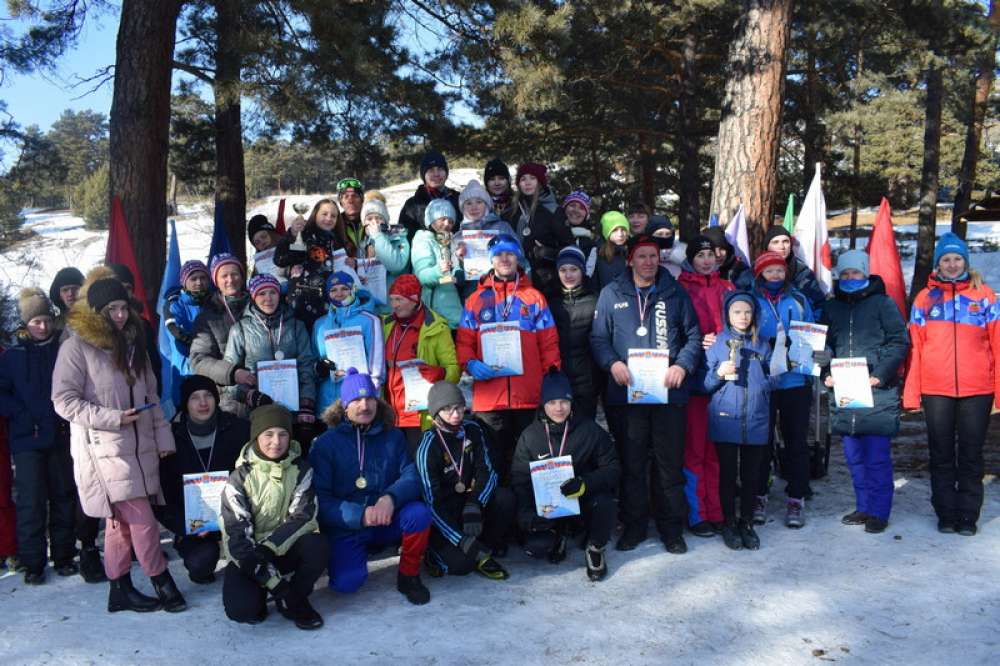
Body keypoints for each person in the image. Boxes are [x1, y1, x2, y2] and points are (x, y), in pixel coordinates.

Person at [52, 276, 186, 613]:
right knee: (142, 520)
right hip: (102, 451)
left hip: (139, 450)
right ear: (97, 312)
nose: (121, 315)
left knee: (120, 526)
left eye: (123, 307)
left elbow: (151, 396)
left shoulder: (132, 342)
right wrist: (112, 418)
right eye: (112, 309)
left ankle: (119, 588)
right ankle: (162, 580)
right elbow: (63, 401)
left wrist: (163, 437)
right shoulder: (76, 346)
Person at [590, 234, 702, 553]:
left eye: (653, 256)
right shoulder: (612, 294)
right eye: (642, 256)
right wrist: (612, 364)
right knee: (632, 463)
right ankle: (635, 526)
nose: (648, 262)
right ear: (630, 260)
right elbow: (599, 339)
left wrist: (682, 365)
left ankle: (671, 529)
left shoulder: (675, 293)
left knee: (669, 464)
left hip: (668, 393)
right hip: (627, 394)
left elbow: (693, 336)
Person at [903, 233, 1000, 536]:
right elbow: (915, 348)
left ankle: (968, 516)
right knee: (941, 453)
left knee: (971, 454)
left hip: (977, 389)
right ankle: (946, 514)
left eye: (957, 259)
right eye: (946, 259)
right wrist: (912, 391)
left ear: (966, 262)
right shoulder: (925, 299)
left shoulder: (985, 296)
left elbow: (998, 344)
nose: (952, 264)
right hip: (936, 389)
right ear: (938, 264)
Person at [309, 369, 433, 605]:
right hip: (349, 527)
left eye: (369, 399)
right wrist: (360, 515)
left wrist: (390, 498)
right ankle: (355, 553)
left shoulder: (393, 436)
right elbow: (320, 500)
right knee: (346, 584)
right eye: (356, 400)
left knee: (418, 514)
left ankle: (409, 575)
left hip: (386, 518)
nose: (364, 406)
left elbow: (411, 476)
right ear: (344, 406)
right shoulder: (325, 444)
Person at [457, 234, 561, 481]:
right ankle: (499, 515)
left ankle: (531, 515)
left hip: (527, 395)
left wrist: (552, 380)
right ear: (491, 260)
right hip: (490, 397)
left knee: (532, 460)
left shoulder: (533, 297)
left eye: (510, 254)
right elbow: (464, 342)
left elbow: (548, 342)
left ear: (518, 258)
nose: (504, 259)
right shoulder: (475, 300)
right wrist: (469, 363)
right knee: (493, 462)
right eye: (499, 255)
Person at [821, 250, 909, 534]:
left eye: (855, 273)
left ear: (865, 273)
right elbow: (824, 346)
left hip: (876, 392)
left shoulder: (883, 303)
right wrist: (826, 374)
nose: (849, 278)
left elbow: (899, 341)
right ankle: (863, 506)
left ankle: (879, 511)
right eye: (844, 274)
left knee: (876, 455)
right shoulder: (832, 307)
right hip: (845, 391)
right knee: (853, 455)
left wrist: (880, 374)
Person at [220, 404, 327, 629]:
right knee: (242, 610)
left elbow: (303, 517)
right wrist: (277, 586)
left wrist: (270, 547)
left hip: (280, 547)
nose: (276, 442)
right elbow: (237, 537)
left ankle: (297, 597)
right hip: (248, 554)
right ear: (256, 437)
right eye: (268, 434)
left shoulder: (302, 470)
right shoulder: (238, 479)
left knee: (317, 545)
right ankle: (278, 593)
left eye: (282, 434)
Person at [512, 370, 620, 581]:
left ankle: (595, 548)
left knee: (606, 502)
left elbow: (613, 468)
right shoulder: (530, 436)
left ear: (572, 402)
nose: (559, 408)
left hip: (580, 499)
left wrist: (585, 483)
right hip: (548, 506)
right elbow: (519, 479)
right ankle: (557, 535)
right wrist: (527, 517)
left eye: (564, 401)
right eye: (552, 402)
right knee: (537, 548)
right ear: (543, 404)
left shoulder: (589, 430)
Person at [0, 289, 77, 584]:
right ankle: (33, 562)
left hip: (59, 435)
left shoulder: (63, 349)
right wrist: (19, 413)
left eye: (46, 320)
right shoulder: (12, 356)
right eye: (36, 321)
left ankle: (64, 555)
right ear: (25, 324)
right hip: (26, 439)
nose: (42, 327)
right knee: (31, 502)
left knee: (63, 496)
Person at [415, 381, 512, 580]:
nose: (456, 414)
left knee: (505, 498)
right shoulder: (428, 446)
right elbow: (431, 503)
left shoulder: (473, 429)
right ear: (436, 412)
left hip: (469, 504)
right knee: (462, 565)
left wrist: (474, 504)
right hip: (445, 513)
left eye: (459, 407)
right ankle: (435, 552)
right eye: (447, 409)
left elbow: (488, 471)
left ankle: (485, 546)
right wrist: (460, 540)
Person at [158, 375, 249, 583]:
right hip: (193, 523)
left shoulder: (238, 429)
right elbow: (163, 493)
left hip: (235, 515)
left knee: (248, 562)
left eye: (208, 395)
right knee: (201, 563)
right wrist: (184, 526)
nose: (202, 403)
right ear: (185, 403)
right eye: (194, 398)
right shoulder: (171, 437)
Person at [750, 250, 817, 528]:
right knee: (761, 442)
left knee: (796, 440)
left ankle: (796, 497)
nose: (775, 275)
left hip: (794, 380)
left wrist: (805, 352)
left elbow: (811, 333)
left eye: (779, 270)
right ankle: (759, 494)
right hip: (763, 381)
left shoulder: (798, 299)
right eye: (769, 271)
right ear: (759, 274)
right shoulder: (752, 300)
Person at [703, 292, 773, 551]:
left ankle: (746, 522)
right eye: (736, 312)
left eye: (747, 312)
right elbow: (704, 384)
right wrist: (719, 374)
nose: (742, 317)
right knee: (727, 475)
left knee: (752, 475)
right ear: (727, 315)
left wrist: (764, 383)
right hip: (725, 418)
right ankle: (728, 522)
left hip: (756, 417)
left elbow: (775, 376)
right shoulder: (716, 344)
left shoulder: (763, 344)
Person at [677, 235, 733, 537]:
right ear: (692, 259)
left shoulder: (728, 287)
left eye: (711, 254)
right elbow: (678, 331)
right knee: (695, 449)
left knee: (717, 451)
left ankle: (718, 511)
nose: (707, 260)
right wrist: (699, 341)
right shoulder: (681, 288)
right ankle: (698, 514)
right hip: (696, 379)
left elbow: (741, 324)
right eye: (700, 255)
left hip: (726, 379)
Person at [224, 274, 317, 429]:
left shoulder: (295, 326)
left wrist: (306, 403)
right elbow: (229, 374)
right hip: (257, 410)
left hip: (293, 411)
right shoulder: (239, 329)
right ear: (253, 297)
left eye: (273, 292)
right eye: (262, 293)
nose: (268, 298)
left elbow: (306, 365)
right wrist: (248, 395)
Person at [382, 275, 460, 451]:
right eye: (392, 299)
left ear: (414, 299)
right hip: (389, 415)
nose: (394, 305)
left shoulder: (437, 326)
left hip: (419, 417)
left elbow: (454, 369)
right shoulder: (385, 324)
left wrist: (439, 374)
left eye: (399, 299)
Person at [312, 271, 384, 415]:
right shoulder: (320, 324)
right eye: (333, 290)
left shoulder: (369, 320)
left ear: (353, 290)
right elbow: (314, 358)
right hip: (328, 400)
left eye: (344, 288)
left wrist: (371, 394)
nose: (339, 293)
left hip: (358, 398)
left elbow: (376, 363)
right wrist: (318, 369)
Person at [190, 253, 251, 416]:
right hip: (230, 397)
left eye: (235, 274)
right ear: (216, 281)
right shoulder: (207, 317)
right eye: (224, 275)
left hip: (266, 389)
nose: (230, 280)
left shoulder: (259, 306)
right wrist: (232, 373)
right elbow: (199, 360)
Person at [273, 198, 344, 328]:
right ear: (315, 214)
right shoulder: (304, 235)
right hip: (300, 305)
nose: (329, 218)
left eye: (333, 216)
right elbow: (280, 259)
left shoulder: (335, 241)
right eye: (324, 214)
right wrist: (292, 235)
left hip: (326, 307)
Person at [548, 246, 600, 418]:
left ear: (582, 271)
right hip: (559, 374)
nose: (568, 275)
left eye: (574, 269)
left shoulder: (595, 299)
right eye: (563, 270)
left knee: (585, 425)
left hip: (587, 376)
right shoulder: (550, 301)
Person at [502, 162, 571, 284]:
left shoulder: (553, 211)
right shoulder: (510, 212)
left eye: (532, 178)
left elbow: (569, 247)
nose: (527, 183)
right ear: (518, 184)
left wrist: (547, 252)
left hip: (545, 281)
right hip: (513, 279)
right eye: (523, 179)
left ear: (540, 182)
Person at [453, 179, 519, 300]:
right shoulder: (458, 237)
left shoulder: (502, 228)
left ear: (487, 205)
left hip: (505, 291)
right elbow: (458, 280)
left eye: (479, 202)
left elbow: (520, 258)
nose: (474, 207)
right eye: (468, 203)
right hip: (473, 296)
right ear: (462, 208)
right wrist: (461, 262)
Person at [106, 262, 163, 394]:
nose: (123, 293)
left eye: (127, 288)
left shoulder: (143, 325)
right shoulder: (94, 327)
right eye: (117, 287)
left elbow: (154, 367)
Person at [743, 226, 826, 315]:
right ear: (767, 246)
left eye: (786, 241)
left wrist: (810, 325)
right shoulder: (752, 272)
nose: (782, 246)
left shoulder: (803, 272)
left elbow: (819, 305)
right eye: (775, 242)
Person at [162, 260, 211, 408]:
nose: (199, 282)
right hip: (185, 368)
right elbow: (177, 333)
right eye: (193, 278)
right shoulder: (174, 304)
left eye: (203, 278)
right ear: (184, 282)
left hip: (212, 366)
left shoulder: (214, 301)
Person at [412, 198, 463, 328]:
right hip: (435, 314)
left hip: (453, 313)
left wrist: (461, 263)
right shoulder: (423, 240)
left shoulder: (449, 241)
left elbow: (457, 274)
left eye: (451, 221)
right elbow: (422, 275)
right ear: (431, 220)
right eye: (442, 219)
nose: (447, 224)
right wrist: (439, 271)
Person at [398, 150, 461, 243]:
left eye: (440, 169)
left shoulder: (459, 199)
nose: (436, 174)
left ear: (446, 172)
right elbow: (404, 238)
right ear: (424, 175)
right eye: (431, 170)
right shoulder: (413, 205)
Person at [362, 190, 410, 295]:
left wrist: (378, 236)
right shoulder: (363, 242)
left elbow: (395, 265)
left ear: (386, 221)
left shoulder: (399, 238)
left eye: (378, 218)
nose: (374, 222)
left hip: (393, 301)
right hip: (370, 303)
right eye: (369, 218)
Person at [559, 191, 598, 278]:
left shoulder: (590, 243)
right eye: (572, 205)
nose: (576, 211)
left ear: (586, 215)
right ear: (564, 209)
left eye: (581, 208)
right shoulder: (552, 232)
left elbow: (588, 275)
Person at [594, 211, 630, 292]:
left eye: (623, 229)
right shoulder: (601, 254)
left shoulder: (625, 251)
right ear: (606, 232)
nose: (620, 234)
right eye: (615, 230)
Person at [337, 178, 371, 259]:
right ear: (341, 202)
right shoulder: (335, 225)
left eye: (355, 196)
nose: (350, 200)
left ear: (362, 200)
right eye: (346, 197)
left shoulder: (373, 220)